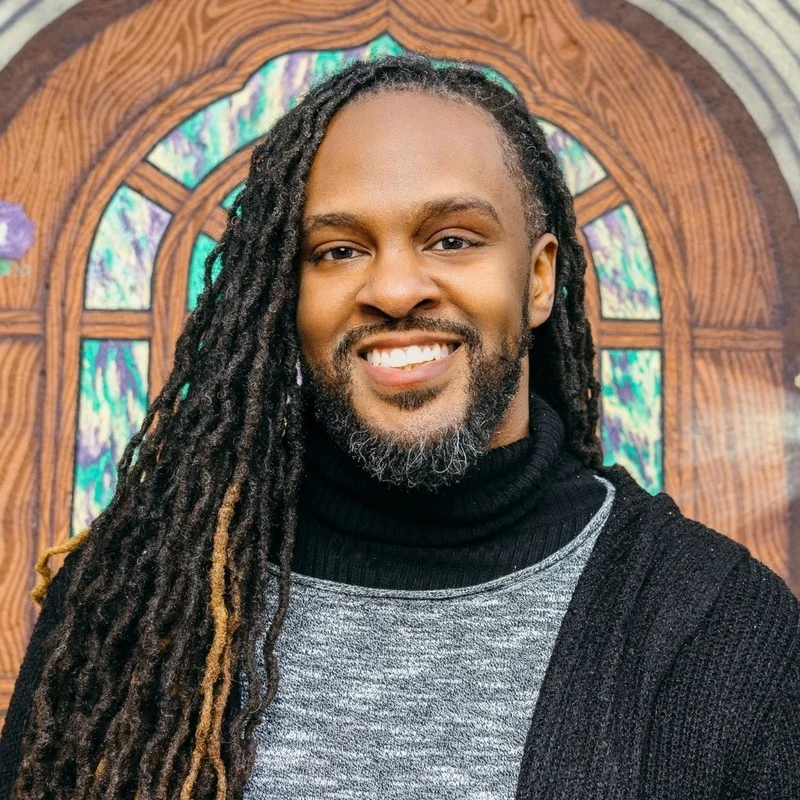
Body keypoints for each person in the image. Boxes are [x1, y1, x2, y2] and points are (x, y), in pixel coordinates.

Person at [1, 54, 798, 800]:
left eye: (452, 239)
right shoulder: (134, 605)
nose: (393, 287)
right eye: (339, 250)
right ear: (288, 297)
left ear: (540, 277)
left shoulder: (721, 633)